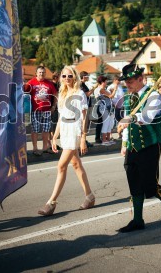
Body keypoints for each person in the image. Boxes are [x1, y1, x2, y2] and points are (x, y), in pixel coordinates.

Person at [116, 64, 161, 232]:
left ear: (141, 79)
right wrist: (125, 143)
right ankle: (138, 219)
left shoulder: (153, 95)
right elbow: (127, 124)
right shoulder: (128, 98)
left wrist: (130, 118)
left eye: (131, 81)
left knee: (150, 183)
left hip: (149, 145)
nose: (127, 84)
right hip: (133, 147)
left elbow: (147, 117)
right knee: (134, 182)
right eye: (125, 81)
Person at [38, 66, 95, 216]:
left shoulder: (80, 93)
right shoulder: (62, 93)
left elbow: (84, 117)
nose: (67, 79)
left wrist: (83, 138)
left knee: (61, 166)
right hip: (65, 130)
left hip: (75, 131)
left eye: (70, 76)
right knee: (76, 164)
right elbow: (61, 119)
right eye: (64, 76)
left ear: (74, 77)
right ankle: (89, 196)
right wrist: (54, 137)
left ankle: (51, 202)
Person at [23, 66, 58, 156]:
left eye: (43, 72)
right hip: (35, 110)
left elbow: (55, 95)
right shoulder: (31, 82)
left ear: (45, 73)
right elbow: (24, 92)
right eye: (40, 72)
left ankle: (45, 148)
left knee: (46, 130)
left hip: (47, 111)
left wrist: (53, 107)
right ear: (36, 73)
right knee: (35, 130)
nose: (41, 74)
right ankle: (35, 148)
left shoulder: (49, 83)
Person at [94, 76, 117, 145]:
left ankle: (108, 139)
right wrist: (115, 89)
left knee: (110, 124)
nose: (106, 83)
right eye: (105, 81)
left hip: (109, 108)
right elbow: (110, 96)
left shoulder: (104, 89)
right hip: (103, 108)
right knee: (106, 124)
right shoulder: (100, 89)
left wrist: (113, 92)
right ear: (102, 82)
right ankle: (104, 140)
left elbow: (110, 97)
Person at [79, 71, 94, 148]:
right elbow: (86, 94)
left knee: (86, 124)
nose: (88, 77)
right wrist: (93, 89)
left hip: (86, 105)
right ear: (83, 77)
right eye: (87, 76)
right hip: (83, 107)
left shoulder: (83, 84)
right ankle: (82, 140)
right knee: (84, 124)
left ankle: (84, 139)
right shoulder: (80, 84)